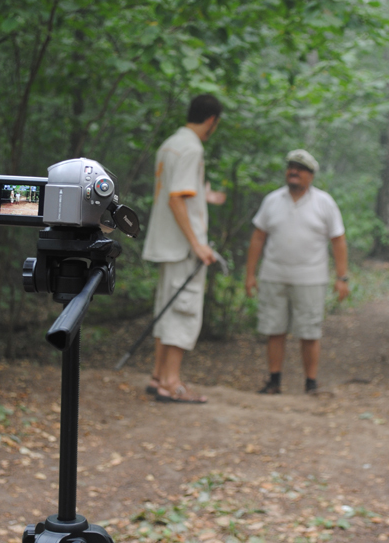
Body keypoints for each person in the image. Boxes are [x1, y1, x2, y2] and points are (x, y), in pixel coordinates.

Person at [142, 94, 225, 403]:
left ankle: (158, 376)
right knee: (182, 310)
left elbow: (181, 192)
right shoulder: (192, 148)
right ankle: (171, 382)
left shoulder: (170, 143)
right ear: (211, 121)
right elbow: (177, 197)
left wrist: (207, 198)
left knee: (166, 308)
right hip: (182, 247)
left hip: (166, 242)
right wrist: (198, 245)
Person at [245, 149, 349, 394]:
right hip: (274, 275)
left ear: (311, 175)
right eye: (291, 167)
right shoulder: (272, 200)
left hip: (310, 278)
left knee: (309, 332)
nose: (294, 172)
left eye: (300, 169)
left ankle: (310, 383)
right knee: (274, 329)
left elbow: (338, 240)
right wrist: (250, 274)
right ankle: (274, 381)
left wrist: (342, 278)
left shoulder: (324, 203)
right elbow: (258, 238)